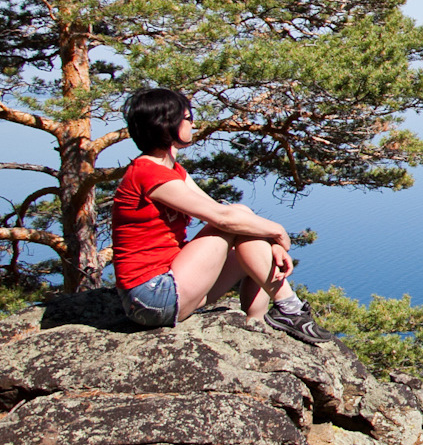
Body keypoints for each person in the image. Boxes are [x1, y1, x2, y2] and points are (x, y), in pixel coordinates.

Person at [112, 87, 334, 343]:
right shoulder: (148, 173)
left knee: (244, 227)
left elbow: (220, 212)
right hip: (152, 296)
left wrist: (270, 243)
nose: (193, 122)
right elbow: (222, 218)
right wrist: (278, 232)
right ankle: (289, 306)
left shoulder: (171, 170)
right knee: (237, 217)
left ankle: (259, 322)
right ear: (167, 125)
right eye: (188, 117)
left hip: (167, 290)